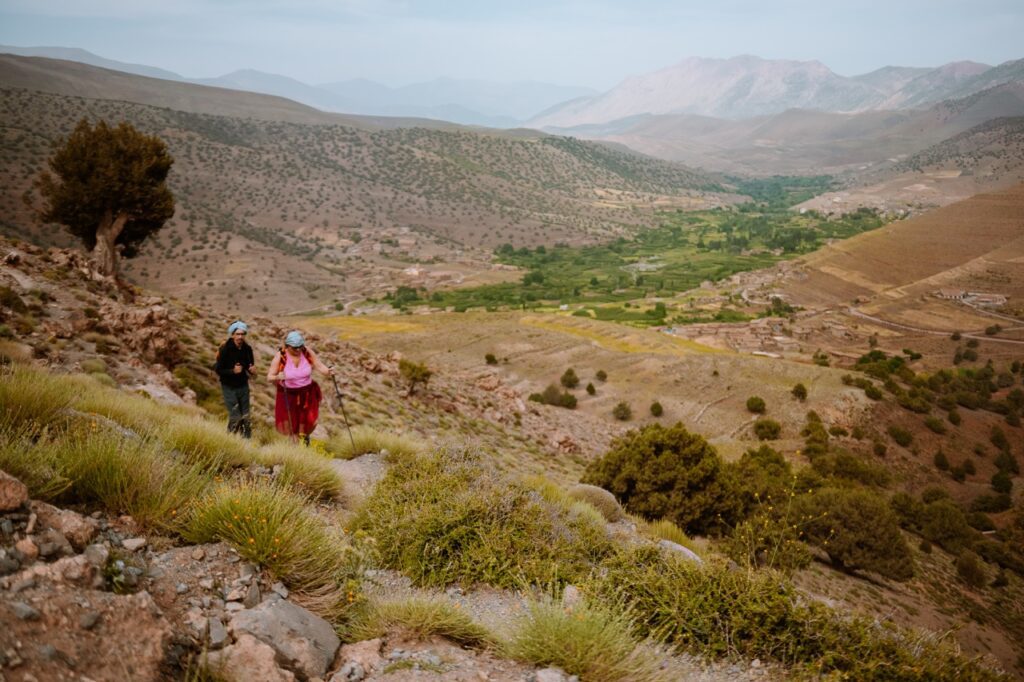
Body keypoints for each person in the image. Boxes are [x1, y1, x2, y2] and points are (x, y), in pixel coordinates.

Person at [267, 330, 333, 445]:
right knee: (293, 424)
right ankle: (296, 452)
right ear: (287, 346)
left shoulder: (306, 352)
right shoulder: (281, 356)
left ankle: (305, 439)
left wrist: (328, 372)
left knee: (310, 421)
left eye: (300, 346)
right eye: (295, 347)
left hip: (307, 393)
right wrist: (278, 376)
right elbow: (269, 377)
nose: (298, 349)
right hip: (288, 394)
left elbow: (319, 366)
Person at [215, 320, 256, 438]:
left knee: (246, 416)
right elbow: (218, 369)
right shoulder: (225, 349)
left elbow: (250, 368)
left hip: (243, 386)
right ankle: (229, 440)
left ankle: (247, 442)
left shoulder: (247, 349)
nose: (240, 337)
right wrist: (233, 371)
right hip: (229, 387)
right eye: (237, 334)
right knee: (235, 416)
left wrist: (253, 371)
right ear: (232, 335)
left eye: (242, 334)